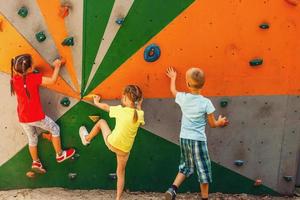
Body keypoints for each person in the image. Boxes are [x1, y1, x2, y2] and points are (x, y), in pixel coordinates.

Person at [164, 67, 228, 200]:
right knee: (203, 169)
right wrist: (220, 122)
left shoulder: (183, 98)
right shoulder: (206, 103)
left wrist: (173, 78)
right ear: (203, 84)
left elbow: (173, 91)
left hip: (184, 139)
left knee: (186, 166)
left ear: (187, 84)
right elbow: (212, 124)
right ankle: (205, 197)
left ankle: (173, 189)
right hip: (198, 140)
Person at [10, 54, 75, 173]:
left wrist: (19, 64)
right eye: (32, 62)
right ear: (29, 69)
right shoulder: (34, 78)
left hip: (23, 117)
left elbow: (19, 70)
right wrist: (57, 66)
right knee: (55, 128)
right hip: (36, 116)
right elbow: (52, 80)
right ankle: (60, 154)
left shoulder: (14, 79)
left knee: (32, 138)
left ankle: (36, 161)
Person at [79, 85, 144, 200]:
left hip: (112, 143)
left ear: (125, 98)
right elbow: (139, 117)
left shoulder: (120, 110)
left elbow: (106, 107)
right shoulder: (139, 114)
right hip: (124, 150)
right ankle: (118, 198)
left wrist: (96, 102)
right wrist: (138, 106)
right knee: (121, 173)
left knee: (101, 122)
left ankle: (87, 139)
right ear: (137, 101)